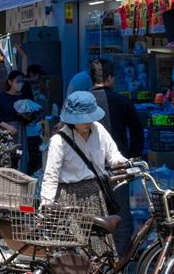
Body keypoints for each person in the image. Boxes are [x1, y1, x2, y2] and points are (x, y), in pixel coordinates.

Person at [41, 91, 127, 254]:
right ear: (72, 119)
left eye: (90, 117)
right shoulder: (58, 141)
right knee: (72, 250)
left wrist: (123, 163)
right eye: (83, 119)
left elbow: (113, 153)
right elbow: (51, 176)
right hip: (68, 198)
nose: (88, 122)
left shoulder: (99, 129)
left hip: (95, 194)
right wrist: (46, 206)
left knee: (100, 249)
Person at [89, 58, 144, 255]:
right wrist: (134, 157)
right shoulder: (122, 101)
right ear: (110, 77)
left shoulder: (81, 101)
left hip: (87, 168)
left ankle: (96, 257)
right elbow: (138, 132)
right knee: (121, 215)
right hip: (118, 167)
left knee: (93, 214)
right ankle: (118, 260)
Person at [0, 70, 38, 174]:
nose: (20, 84)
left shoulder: (23, 97)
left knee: (20, 154)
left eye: (22, 82)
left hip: (20, 132)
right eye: (17, 81)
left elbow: (31, 114)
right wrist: (8, 127)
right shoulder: (1, 97)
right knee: (7, 156)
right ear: (10, 82)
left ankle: (20, 175)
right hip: (6, 133)